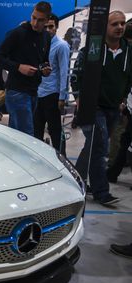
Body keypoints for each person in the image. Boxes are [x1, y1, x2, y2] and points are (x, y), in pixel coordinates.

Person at [71, 11, 132, 206]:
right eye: (115, 24)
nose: (120, 27)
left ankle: (75, 181)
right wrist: (79, 97)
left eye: (122, 23)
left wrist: (123, 99)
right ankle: (101, 191)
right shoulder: (93, 49)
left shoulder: (129, 52)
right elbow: (77, 75)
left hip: (113, 107)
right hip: (93, 106)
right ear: (105, 26)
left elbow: (128, 78)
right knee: (101, 147)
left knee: (93, 147)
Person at [0, 1, 52, 136]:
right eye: (34, 17)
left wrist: (45, 69)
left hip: (33, 92)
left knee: (17, 138)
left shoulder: (46, 37)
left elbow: (43, 61)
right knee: (27, 137)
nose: (35, 23)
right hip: (16, 92)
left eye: (40, 20)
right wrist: (18, 67)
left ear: (47, 20)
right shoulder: (18, 33)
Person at [35, 14, 70, 153]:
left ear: (57, 27)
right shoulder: (40, 43)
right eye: (46, 27)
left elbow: (64, 72)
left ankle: (63, 160)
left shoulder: (61, 45)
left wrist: (62, 96)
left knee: (55, 131)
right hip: (38, 93)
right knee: (36, 131)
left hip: (53, 94)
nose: (48, 29)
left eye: (51, 26)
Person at [106, 18, 132, 183]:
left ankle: (112, 172)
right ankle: (112, 171)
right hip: (126, 104)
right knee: (123, 139)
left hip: (125, 104)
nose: (119, 27)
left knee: (123, 139)